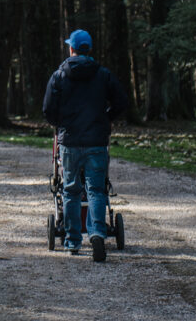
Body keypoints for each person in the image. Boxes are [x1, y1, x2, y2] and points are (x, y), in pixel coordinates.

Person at [42, 29, 129, 261]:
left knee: (70, 189)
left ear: (71, 49)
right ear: (88, 49)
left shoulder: (59, 75)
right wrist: (106, 118)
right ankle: (98, 232)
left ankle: (72, 241)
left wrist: (60, 124)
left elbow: (48, 110)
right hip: (96, 141)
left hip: (69, 142)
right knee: (96, 189)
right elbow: (122, 101)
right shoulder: (103, 75)